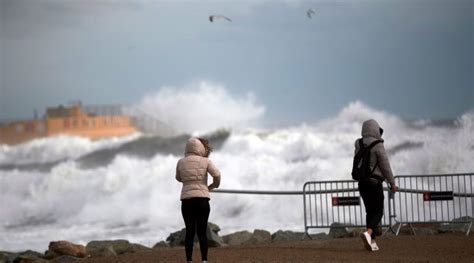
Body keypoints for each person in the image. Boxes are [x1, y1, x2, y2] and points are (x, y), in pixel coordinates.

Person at [176, 137, 221, 263]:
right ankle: (204, 260)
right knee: (202, 232)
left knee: (189, 232)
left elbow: (178, 178)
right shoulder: (206, 161)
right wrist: (212, 186)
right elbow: (217, 175)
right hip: (202, 201)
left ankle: (189, 260)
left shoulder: (181, 162)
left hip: (187, 201)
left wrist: (188, 180)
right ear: (200, 148)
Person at [355, 119, 398, 251]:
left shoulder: (358, 143)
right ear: (375, 129)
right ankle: (368, 234)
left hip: (362, 183)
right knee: (378, 212)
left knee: (370, 212)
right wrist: (392, 183)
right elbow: (385, 166)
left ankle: (371, 242)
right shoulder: (378, 145)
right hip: (374, 184)